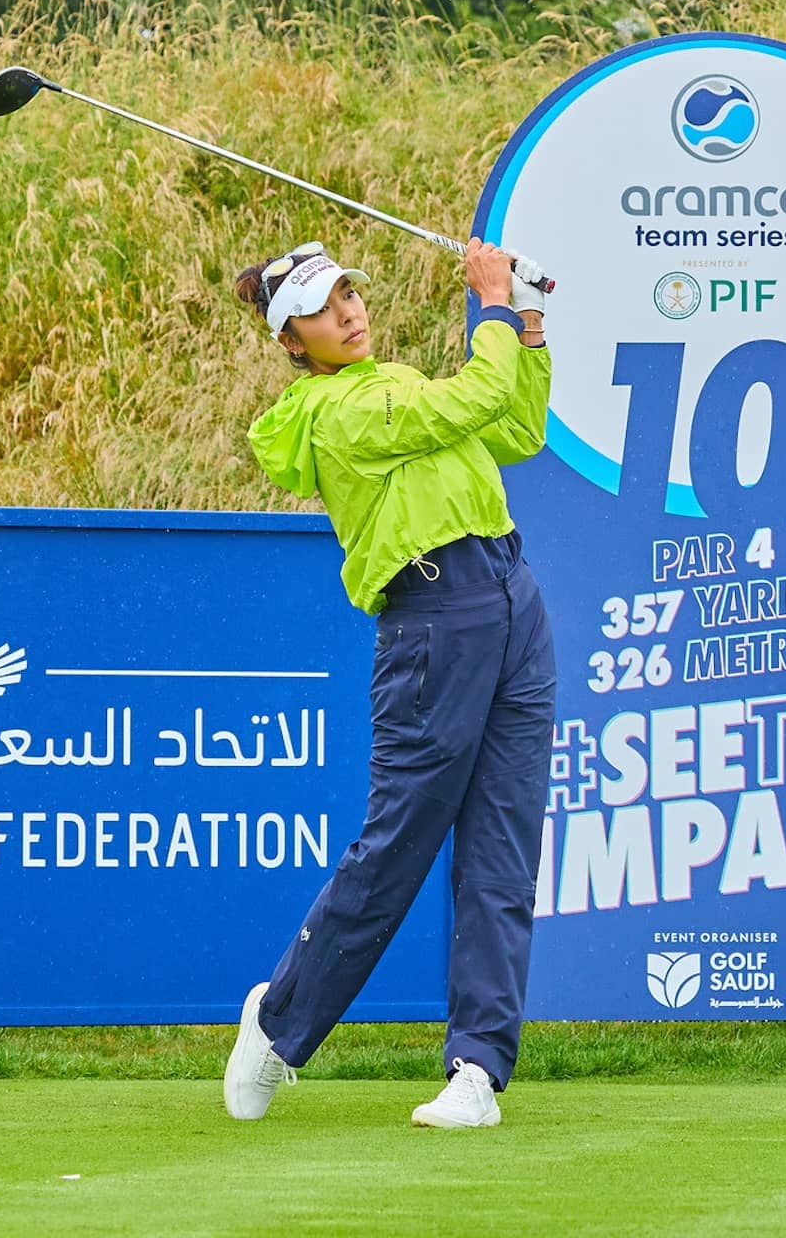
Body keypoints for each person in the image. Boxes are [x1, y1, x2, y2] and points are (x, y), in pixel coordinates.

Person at [222, 235, 556, 1130]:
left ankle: (477, 1070)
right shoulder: (329, 416)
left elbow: (517, 427)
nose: (348, 312)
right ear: (293, 341)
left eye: (349, 295)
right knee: (398, 849)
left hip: (512, 599)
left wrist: (525, 323)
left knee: (502, 856)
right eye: (323, 309)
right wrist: (490, 304)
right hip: (434, 620)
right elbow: (474, 397)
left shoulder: (399, 380)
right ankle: (279, 1022)